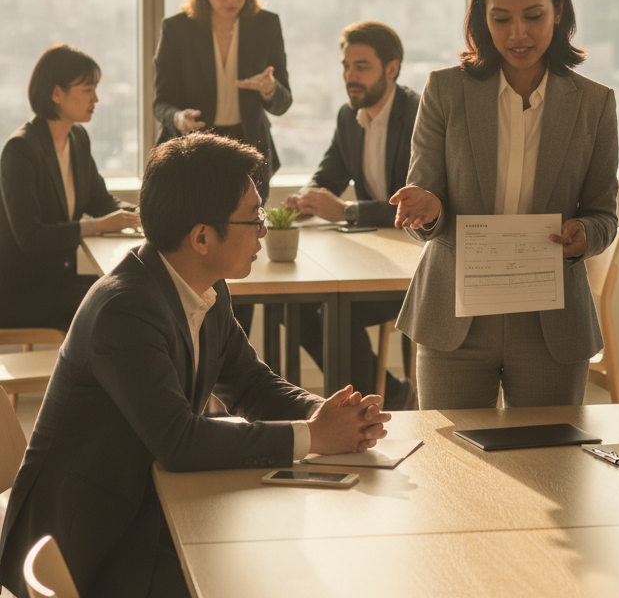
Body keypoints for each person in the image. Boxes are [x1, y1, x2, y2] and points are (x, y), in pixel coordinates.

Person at [0, 133, 391, 598]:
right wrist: (314, 435)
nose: (264, 230)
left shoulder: (205, 284)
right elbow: (179, 442)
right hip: (93, 541)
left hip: (149, 506)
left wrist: (326, 413)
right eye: (254, 217)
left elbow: (248, 380)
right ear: (202, 237)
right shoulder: (124, 309)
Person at [391, 0, 618, 410]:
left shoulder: (593, 103)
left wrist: (585, 236)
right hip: (455, 317)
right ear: (481, 19)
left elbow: (603, 215)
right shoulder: (445, 90)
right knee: (451, 473)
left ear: (558, 12)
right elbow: (425, 204)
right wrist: (428, 210)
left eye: (533, 16)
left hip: (550, 321)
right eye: (500, 19)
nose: (518, 33)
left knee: (550, 472)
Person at [285, 21, 418, 408]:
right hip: (376, 261)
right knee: (295, 307)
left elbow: (415, 202)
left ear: (391, 69)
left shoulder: (417, 115)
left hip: (414, 268)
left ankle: (361, 410)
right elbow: (327, 175)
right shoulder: (349, 118)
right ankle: (389, 395)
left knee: (336, 314)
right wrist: (304, 200)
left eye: (361, 67)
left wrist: (347, 210)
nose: (350, 77)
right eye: (346, 67)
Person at [0, 45, 140, 330]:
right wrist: (98, 227)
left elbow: (101, 202)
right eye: (88, 90)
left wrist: (144, 217)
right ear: (56, 94)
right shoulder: (20, 149)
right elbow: (30, 236)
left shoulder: (77, 138)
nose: (96, 98)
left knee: (133, 295)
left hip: (58, 282)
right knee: (123, 305)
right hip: (22, 292)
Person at [153, 0, 291, 203]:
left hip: (249, 149)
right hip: (194, 150)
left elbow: (283, 103)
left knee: (246, 235)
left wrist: (269, 88)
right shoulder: (177, 29)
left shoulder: (266, 25)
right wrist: (178, 118)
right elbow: (161, 103)